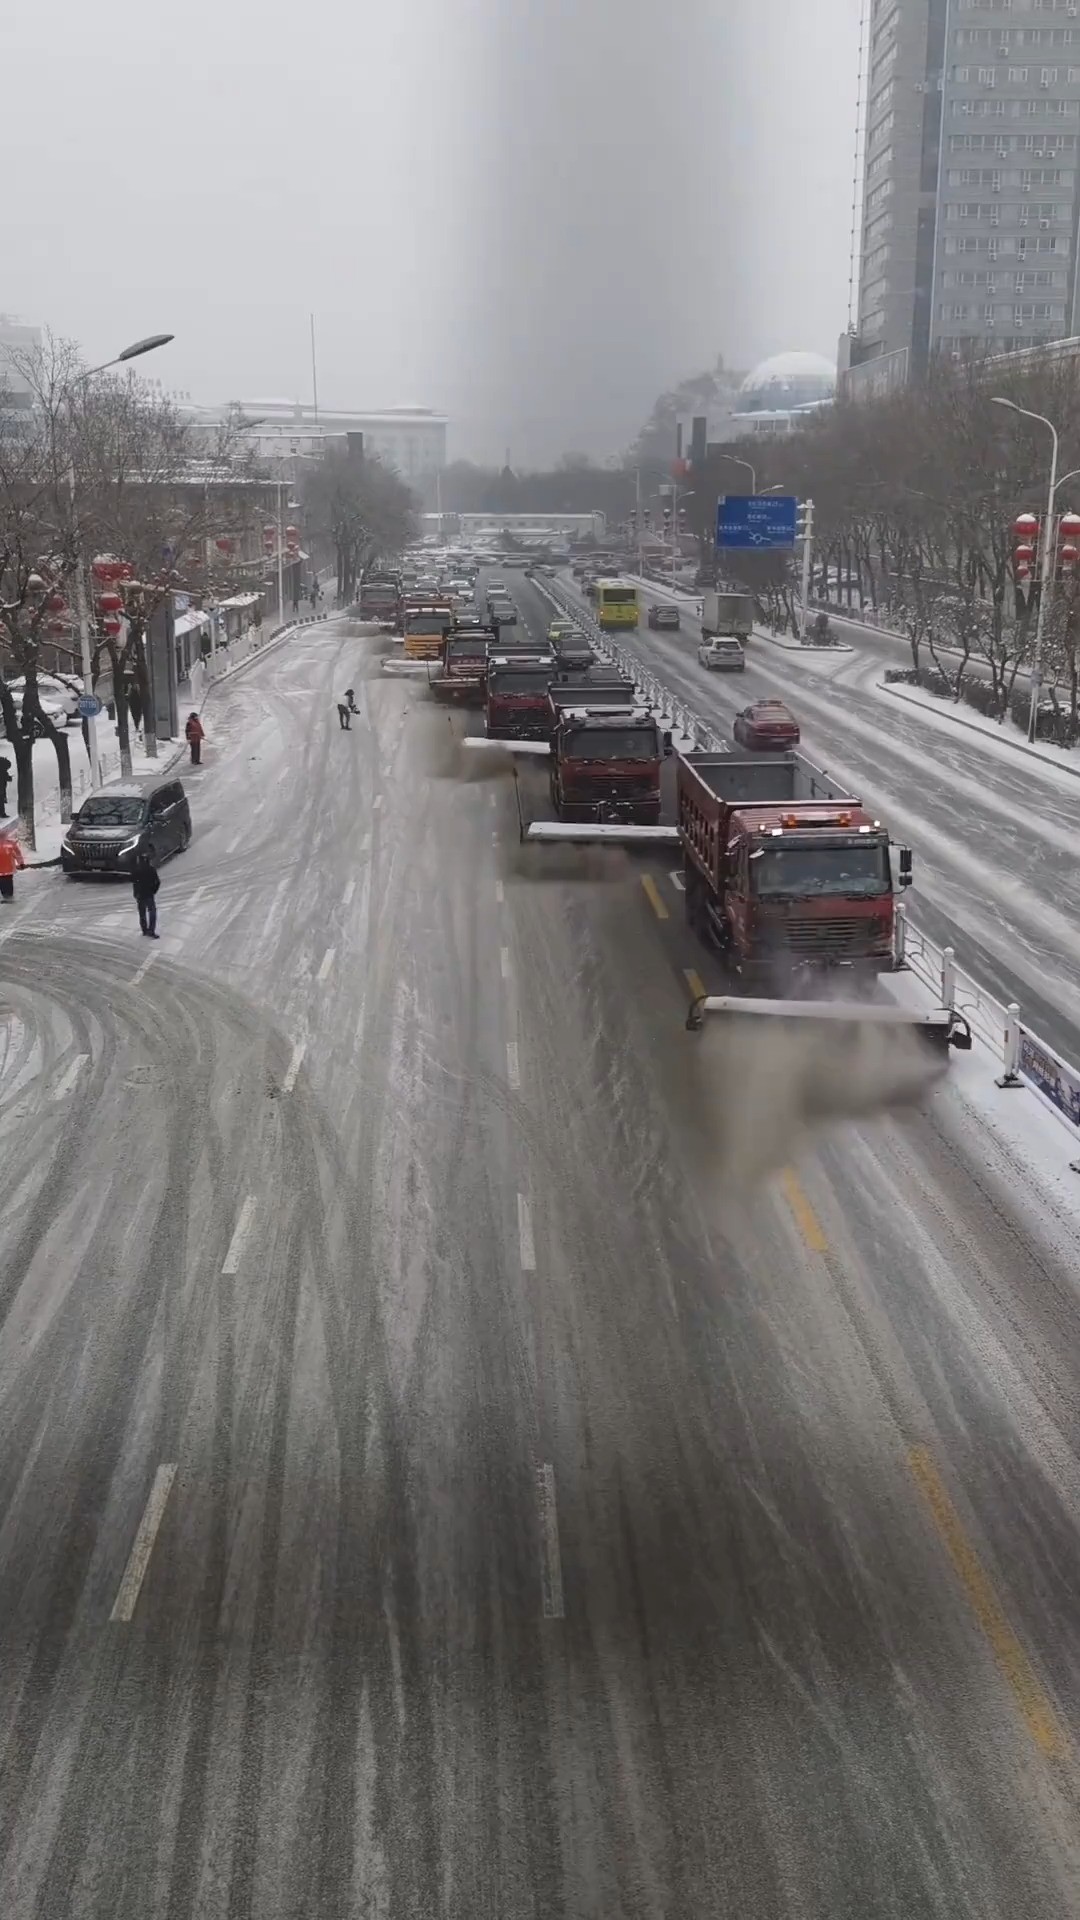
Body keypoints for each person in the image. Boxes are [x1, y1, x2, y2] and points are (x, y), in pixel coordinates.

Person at [131, 851, 160, 937]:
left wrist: (135, 893)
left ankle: (144, 930)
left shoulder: (136, 870)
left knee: (142, 912)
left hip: (140, 894)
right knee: (152, 912)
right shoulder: (151, 869)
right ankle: (151, 930)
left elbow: (133, 882)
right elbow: (157, 882)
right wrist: (153, 890)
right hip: (149, 893)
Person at [0, 827, 25, 901]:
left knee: (3, 883)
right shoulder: (11, 844)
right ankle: (8, 897)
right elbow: (17, 854)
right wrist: (21, 863)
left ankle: (6, 897)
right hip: (9, 869)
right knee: (8, 882)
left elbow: (17, 854)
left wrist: (21, 863)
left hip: (5, 869)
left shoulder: (11, 844)